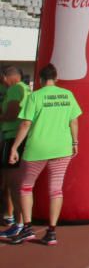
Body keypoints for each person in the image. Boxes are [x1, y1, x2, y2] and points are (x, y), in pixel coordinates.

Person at [6, 63, 81, 246]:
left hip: (37, 148)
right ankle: (52, 231)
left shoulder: (35, 96)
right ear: (56, 78)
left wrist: (15, 147)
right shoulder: (68, 95)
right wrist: (75, 142)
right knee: (56, 189)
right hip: (62, 148)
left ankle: (27, 228)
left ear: (39, 79)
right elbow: (74, 121)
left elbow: (25, 124)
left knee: (26, 186)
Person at [0, 67, 28, 238]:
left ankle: (20, 223)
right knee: (14, 183)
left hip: (13, 137)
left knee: (13, 183)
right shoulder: (24, 88)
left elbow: (11, 114)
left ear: (6, 77)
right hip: (16, 137)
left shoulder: (16, 89)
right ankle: (18, 221)